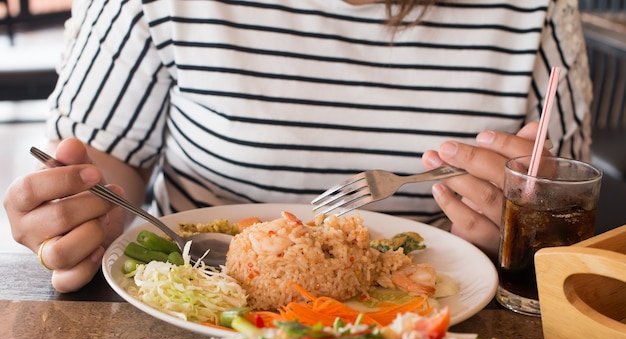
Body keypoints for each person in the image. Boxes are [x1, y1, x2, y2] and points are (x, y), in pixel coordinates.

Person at [4, 0, 592, 292]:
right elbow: (103, 162)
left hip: (446, 331)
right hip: (190, 327)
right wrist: (83, 214)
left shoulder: (538, 13)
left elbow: (566, 224)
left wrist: (522, 233)